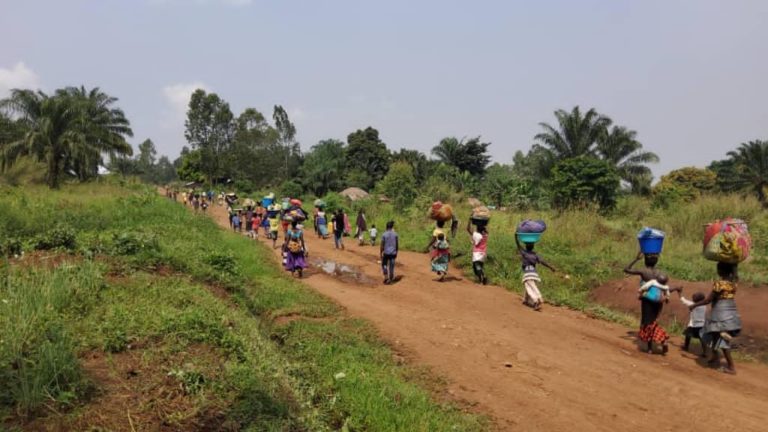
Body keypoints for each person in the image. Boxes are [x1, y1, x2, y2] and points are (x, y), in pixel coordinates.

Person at [690, 262, 743, 374]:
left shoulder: (719, 284)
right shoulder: (733, 283)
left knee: (721, 338)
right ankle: (715, 356)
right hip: (731, 311)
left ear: (721, 271)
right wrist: (734, 263)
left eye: (718, 269)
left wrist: (694, 305)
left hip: (720, 313)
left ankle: (731, 367)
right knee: (714, 334)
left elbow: (708, 300)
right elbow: (736, 274)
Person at [624, 252, 670, 354]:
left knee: (647, 322)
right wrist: (666, 297)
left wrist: (636, 259)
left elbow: (626, 269)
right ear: (656, 261)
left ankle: (654, 345)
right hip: (658, 301)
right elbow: (665, 287)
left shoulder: (644, 271)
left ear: (645, 261)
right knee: (653, 321)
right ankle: (660, 341)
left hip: (647, 300)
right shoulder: (660, 273)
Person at [515, 235, 557, 311]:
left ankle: (537, 300)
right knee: (529, 286)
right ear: (533, 247)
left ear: (526, 246)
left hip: (527, 273)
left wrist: (516, 237)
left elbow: (518, 245)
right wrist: (551, 267)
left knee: (530, 288)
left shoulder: (524, 253)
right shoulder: (535, 255)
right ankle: (525, 300)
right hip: (534, 273)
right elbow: (543, 262)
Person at [671, 288, 706, 355]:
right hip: (701, 324)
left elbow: (683, 300)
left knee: (688, 335)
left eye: (694, 298)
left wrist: (679, 292)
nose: (692, 298)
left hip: (694, 324)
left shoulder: (692, 304)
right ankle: (704, 352)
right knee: (701, 338)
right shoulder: (704, 305)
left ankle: (686, 347)